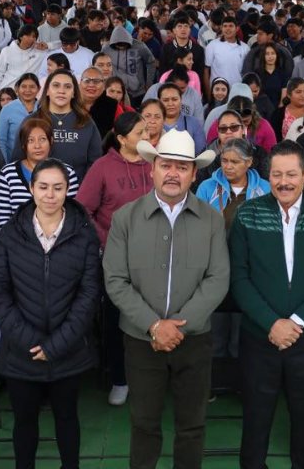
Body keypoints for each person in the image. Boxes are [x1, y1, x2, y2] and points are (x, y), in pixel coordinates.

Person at [102, 130, 230, 469]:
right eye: (166, 165)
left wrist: (178, 328)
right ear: (152, 169)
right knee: (144, 423)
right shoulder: (125, 218)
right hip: (141, 340)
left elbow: (218, 278)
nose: (173, 173)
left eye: (182, 167)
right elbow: (115, 279)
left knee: (192, 425)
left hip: (194, 341)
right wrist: (154, 325)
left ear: (194, 174)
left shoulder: (212, 220)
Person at [228, 141, 304, 469]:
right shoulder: (247, 215)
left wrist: (296, 321)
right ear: (268, 176)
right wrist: (271, 323)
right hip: (259, 338)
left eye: (292, 174)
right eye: (277, 175)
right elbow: (238, 277)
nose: (284, 182)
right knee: (255, 418)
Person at [0, 158, 101, 469]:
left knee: (67, 418)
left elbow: (89, 294)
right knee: (24, 423)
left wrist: (57, 344)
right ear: (31, 189)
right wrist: (30, 341)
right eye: (43, 187)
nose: (50, 195)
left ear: (68, 190)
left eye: (58, 188)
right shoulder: (11, 233)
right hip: (21, 353)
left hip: (68, 352)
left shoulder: (84, 234)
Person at [75, 111, 153, 406]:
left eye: (147, 131)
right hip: (116, 259)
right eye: (139, 133)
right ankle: (119, 379)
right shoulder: (102, 167)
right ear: (121, 139)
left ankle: (147, 379)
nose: (146, 137)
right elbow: (83, 209)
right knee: (117, 319)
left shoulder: (155, 163)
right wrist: (108, 238)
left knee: (150, 318)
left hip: (152, 257)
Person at [196, 137, 270, 229]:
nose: (228, 167)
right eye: (224, 161)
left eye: (235, 162)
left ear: (249, 162)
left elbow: (270, 226)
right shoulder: (206, 187)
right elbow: (198, 225)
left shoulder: (265, 189)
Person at [0, 72, 43, 161]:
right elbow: (1, 141)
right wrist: (5, 164)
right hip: (13, 161)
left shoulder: (44, 108)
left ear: (39, 89)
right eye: (24, 86)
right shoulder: (7, 109)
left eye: (32, 87)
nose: (28, 90)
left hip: (40, 162)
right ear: (17, 89)